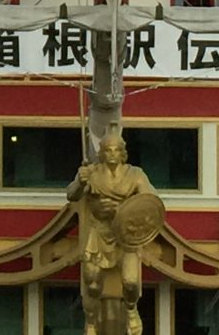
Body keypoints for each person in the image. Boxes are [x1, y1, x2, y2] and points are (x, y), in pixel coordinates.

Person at [66, 134, 158, 335]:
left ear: (123, 152)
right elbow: (71, 194)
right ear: (102, 153)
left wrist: (125, 209)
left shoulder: (135, 174)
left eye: (116, 149)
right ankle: (91, 321)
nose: (112, 154)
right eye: (108, 150)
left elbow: (150, 199)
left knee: (131, 282)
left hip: (126, 234)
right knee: (92, 281)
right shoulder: (90, 173)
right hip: (99, 231)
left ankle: (132, 309)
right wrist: (80, 183)